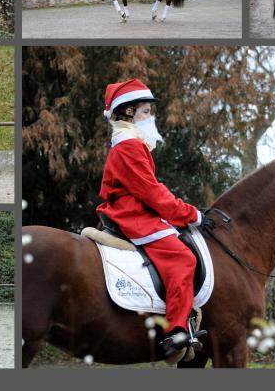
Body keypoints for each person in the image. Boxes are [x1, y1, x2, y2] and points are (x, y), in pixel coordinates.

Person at [96, 78, 205, 358]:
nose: (151, 117)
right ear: (129, 113)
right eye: (146, 111)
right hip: (133, 214)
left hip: (134, 209)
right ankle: (176, 332)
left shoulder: (129, 143)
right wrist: (190, 213)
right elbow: (152, 193)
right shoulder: (129, 146)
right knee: (184, 259)